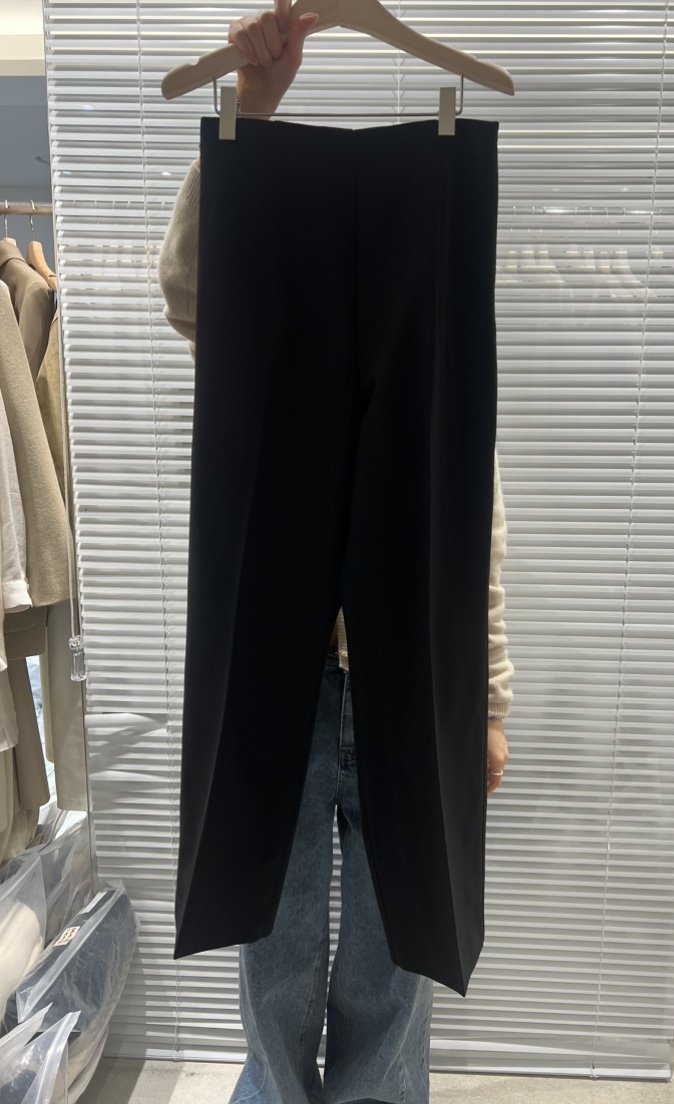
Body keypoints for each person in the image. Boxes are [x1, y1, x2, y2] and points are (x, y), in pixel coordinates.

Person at [158, 4, 514, 1100]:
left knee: (394, 963)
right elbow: (189, 290)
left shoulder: (438, 323)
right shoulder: (259, 300)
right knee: (270, 953)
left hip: (404, 676)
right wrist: (250, 117)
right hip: (287, 672)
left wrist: (489, 696)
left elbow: (470, 523)